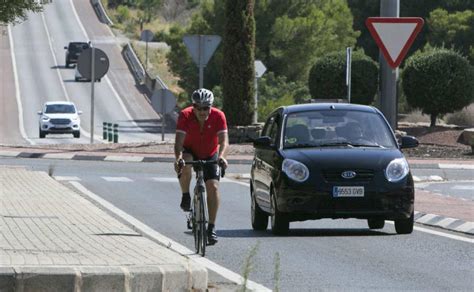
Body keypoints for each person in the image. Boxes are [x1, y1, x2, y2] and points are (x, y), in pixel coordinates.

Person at [174, 88, 229, 245]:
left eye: (206, 108)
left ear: (211, 107)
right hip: (189, 150)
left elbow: (224, 142)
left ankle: (211, 227)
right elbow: (178, 143)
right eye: (199, 108)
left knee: (213, 187)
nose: (203, 111)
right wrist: (178, 158)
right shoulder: (185, 115)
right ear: (194, 106)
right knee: (185, 162)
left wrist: (222, 157)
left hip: (210, 152)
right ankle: (185, 194)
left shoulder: (219, 116)